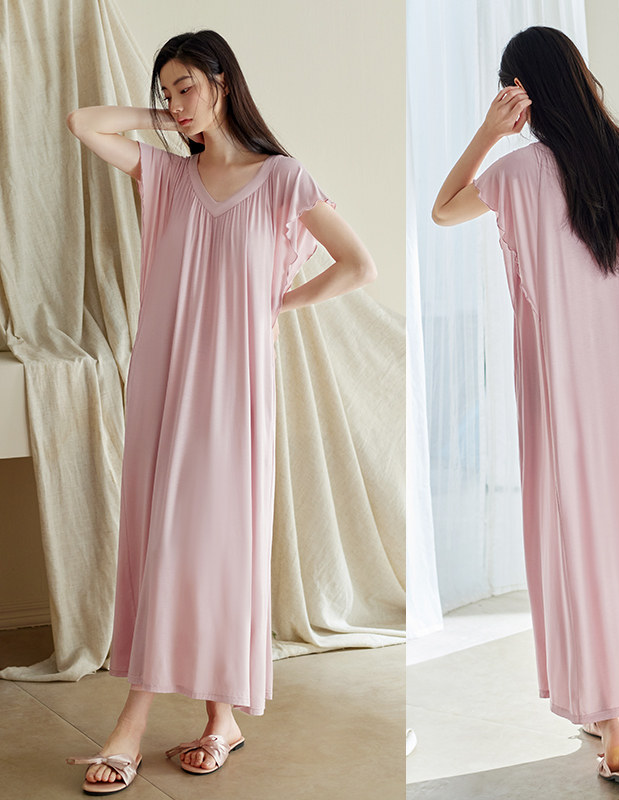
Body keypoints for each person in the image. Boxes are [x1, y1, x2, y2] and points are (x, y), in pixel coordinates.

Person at [64, 29, 376, 794]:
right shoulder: (170, 175)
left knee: (210, 542)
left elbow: (358, 265)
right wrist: (161, 119)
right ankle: (221, 720)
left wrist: (278, 303)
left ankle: (132, 727)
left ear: (222, 82)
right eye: (167, 91)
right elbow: (83, 123)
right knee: (167, 539)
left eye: (187, 88)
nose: (177, 103)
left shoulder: (281, 178)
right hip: (162, 382)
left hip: (233, 389)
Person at [431, 25, 619, 784]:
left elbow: (443, 209)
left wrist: (488, 132)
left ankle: (616, 725)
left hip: (564, 390)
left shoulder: (519, 172)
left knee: (583, 539)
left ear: (521, 93)